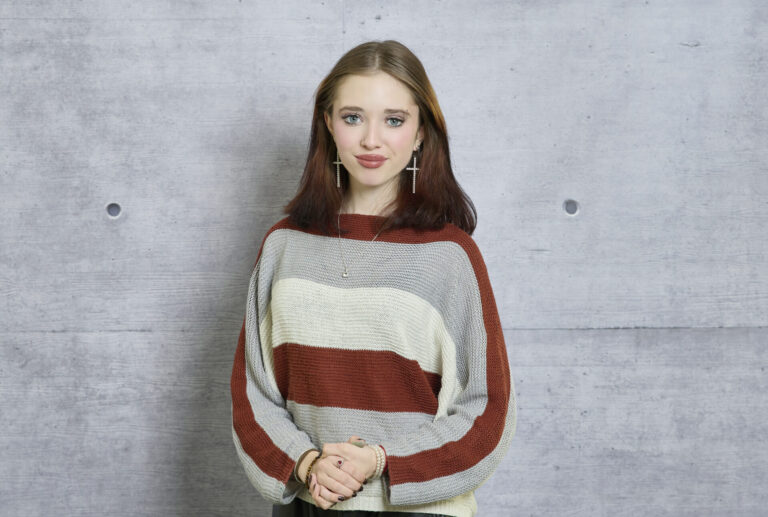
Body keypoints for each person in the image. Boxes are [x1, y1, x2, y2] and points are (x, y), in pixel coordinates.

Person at [230, 40, 517, 517]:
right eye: (353, 117)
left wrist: (380, 461)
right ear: (328, 124)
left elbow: (488, 413)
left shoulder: (450, 256)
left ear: (421, 132)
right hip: (309, 505)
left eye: (394, 120)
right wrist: (307, 464)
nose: (371, 140)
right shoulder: (284, 246)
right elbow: (252, 395)